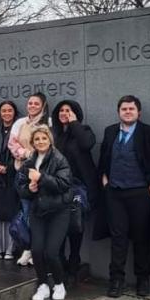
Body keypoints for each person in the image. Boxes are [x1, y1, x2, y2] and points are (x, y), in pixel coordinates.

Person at [95, 95, 150, 299]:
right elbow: (104, 156)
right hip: (115, 193)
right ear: (119, 112)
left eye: (131, 109)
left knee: (142, 238)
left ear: (138, 112)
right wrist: (104, 178)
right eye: (124, 109)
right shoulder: (111, 131)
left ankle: (143, 279)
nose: (127, 112)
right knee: (118, 238)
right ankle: (116, 280)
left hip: (141, 193)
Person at [16, 125, 73, 300]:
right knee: (37, 250)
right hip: (38, 211)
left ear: (50, 140)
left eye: (44, 138)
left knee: (52, 252)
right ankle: (43, 285)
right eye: (37, 139)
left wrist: (41, 178)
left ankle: (59, 283)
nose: (40, 142)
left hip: (58, 211)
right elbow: (20, 188)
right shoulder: (29, 162)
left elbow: (64, 184)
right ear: (32, 143)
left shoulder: (59, 159)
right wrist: (29, 189)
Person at [52, 99, 100, 280]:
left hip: (78, 187)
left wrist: (74, 123)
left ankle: (74, 260)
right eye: (61, 110)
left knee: (75, 225)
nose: (64, 113)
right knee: (59, 226)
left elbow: (87, 144)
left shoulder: (83, 131)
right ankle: (61, 262)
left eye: (68, 110)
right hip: (58, 187)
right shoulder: (54, 134)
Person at [8, 92, 50, 266]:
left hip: (41, 172)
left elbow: (49, 145)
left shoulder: (47, 123)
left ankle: (39, 250)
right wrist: (25, 153)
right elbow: (12, 144)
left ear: (42, 106)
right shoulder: (20, 122)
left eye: (36, 103)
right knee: (26, 211)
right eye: (30, 103)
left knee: (41, 212)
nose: (32, 106)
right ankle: (28, 247)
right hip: (22, 172)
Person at [0, 100, 19, 259]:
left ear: (14, 113)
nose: (7, 113)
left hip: (12, 177)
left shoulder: (19, 131)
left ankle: (10, 249)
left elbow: (21, 155)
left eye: (10, 111)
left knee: (11, 213)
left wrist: (8, 168)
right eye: (4, 111)